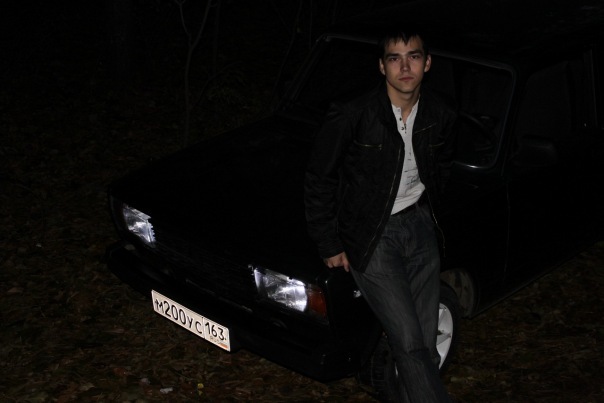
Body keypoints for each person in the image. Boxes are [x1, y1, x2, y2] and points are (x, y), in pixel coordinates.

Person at [304, 27, 456, 402]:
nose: (405, 67)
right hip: (372, 236)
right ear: (382, 67)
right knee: (409, 342)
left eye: (413, 56)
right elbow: (319, 177)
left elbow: (442, 167)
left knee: (424, 344)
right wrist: (329, 242)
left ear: (427, 63)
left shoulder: (440, 113)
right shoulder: (354, 114)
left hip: (420, 227)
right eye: (394, 58)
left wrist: (434, 216)